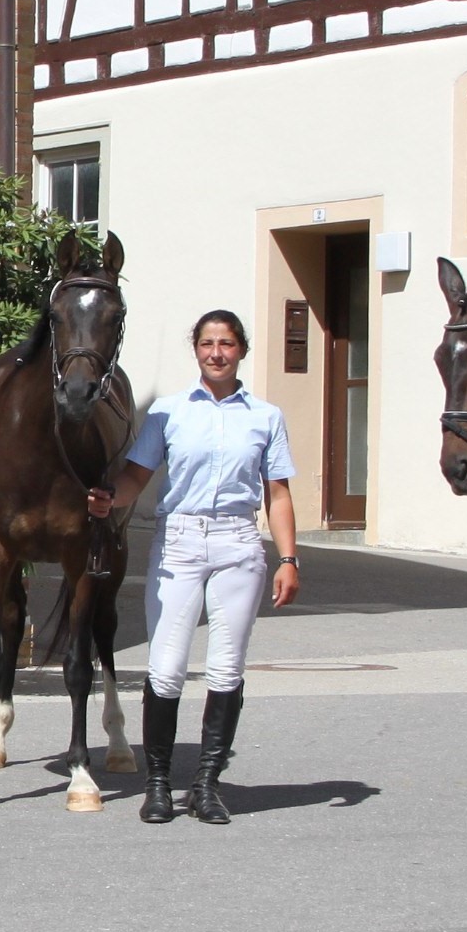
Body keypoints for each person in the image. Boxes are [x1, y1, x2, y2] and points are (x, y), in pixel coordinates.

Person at [90, 311, 299, 826]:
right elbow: (136, 476)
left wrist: (288, 559)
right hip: (180, 541)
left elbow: (277, 493)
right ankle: (158, 785)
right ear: (197, 350)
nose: (216, 353)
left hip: (238, 542)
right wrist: (110, 499)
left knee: (227, 669)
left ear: (241, 349)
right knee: (166, 668)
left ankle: (206, 785)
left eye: (226, 343)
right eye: (207, 344)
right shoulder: (168, 412)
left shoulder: (265, 417)